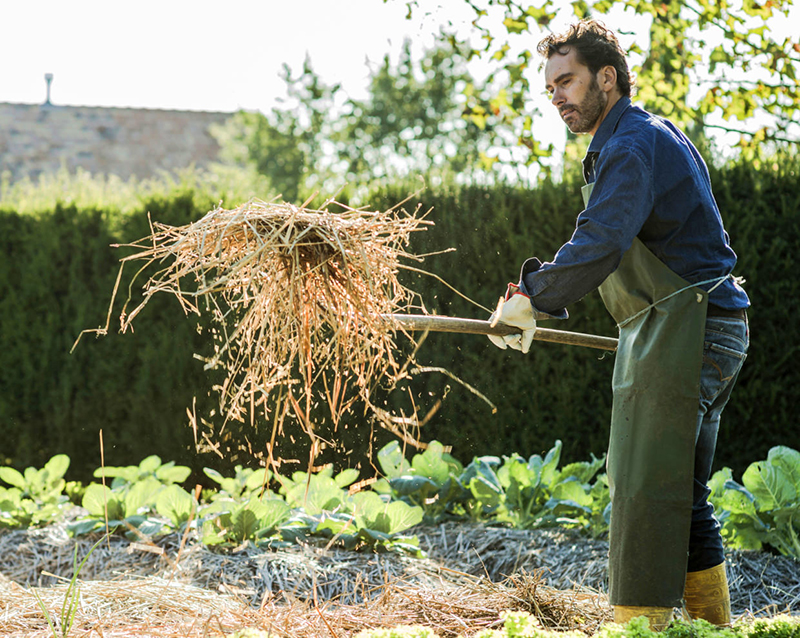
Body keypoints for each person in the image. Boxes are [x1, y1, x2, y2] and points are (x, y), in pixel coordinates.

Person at [488, 19, 750, 629]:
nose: (557, 96)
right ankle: (713, 626)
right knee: (681, 493)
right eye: (550, 86)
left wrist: (533, 296)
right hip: (701, 324)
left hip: (691, 329)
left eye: (568, 81)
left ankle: (641, 624)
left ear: (607, 77)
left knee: (644, 488)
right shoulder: (642, 136)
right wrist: (538, 293)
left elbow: (602, 240)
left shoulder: (631, 146)